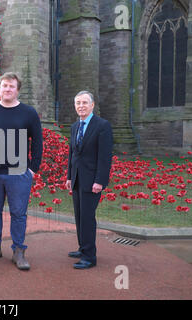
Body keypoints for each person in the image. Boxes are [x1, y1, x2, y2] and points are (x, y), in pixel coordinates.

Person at [0, 72, 43, 270]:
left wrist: (33, 169)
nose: (8, 89)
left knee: (18, 214)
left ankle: (19, 251)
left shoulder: (29, 113)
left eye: (12, 86)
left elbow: (37, 142)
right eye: (4, 86)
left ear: (17, 90)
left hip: (19, 173)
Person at [65, 91, 113, 269]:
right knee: (79, 216)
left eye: (85, 102)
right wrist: (69, 176)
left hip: (92, 181)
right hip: (77, 179)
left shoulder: (102, 126)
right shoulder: (75, 127)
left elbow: (105, 157)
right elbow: (72, 154)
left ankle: (89, 257)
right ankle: (82, 247)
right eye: (78, 103)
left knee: (87, 217)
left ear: (92, 105)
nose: (81, 106)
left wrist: (100, 181)